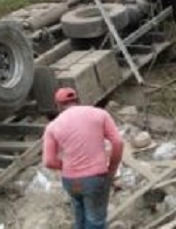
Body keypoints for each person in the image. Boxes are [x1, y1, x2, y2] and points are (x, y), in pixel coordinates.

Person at [43, 88, 124, 229]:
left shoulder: (52, 126)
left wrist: (67, 166)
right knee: (95, 221)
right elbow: (118, 142)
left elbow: (48, 161)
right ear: (78, 100)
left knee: (80, 215)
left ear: (58, 105)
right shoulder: (100, 114)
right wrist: (112, 168)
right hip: (95, 178)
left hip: (70, 181)